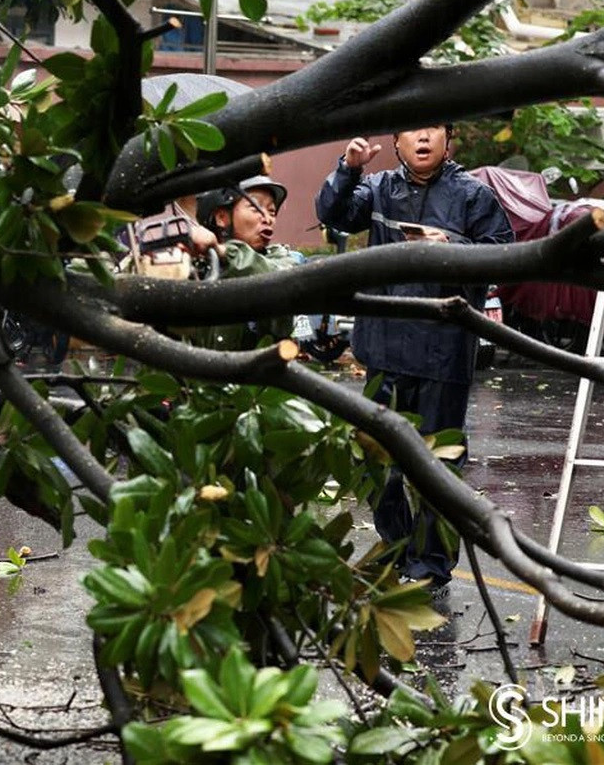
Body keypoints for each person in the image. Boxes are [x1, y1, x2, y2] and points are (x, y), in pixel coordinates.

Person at [314, 125, 513, 590]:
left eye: (432, 131)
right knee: (374, 462)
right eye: (412, 131)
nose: (422, 139)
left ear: (449, 143)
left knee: (437, 468)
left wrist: (453, 249)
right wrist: (348, 168)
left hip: (443, 353)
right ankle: (400, 547)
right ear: (398, 143)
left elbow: (505, 255)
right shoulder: (379, 188)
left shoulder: (472, 197)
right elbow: (334, 214)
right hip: (382, 347)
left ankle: (432, 566)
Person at [186, 174, 304, 350]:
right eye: (256, 208)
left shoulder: (284, 260)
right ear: (221, 217)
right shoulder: (197, 265)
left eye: (272, 211)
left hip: (256, 375)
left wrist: (223, 252)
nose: (268, 218)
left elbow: (278, 278)